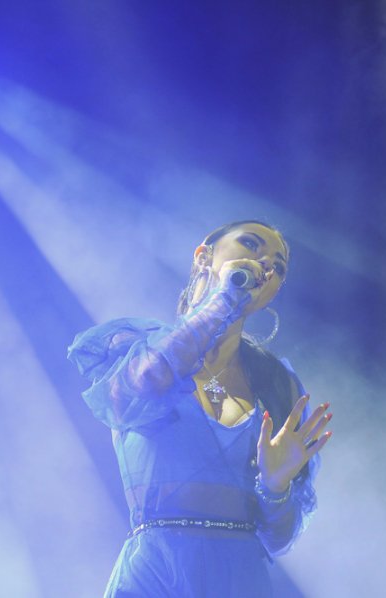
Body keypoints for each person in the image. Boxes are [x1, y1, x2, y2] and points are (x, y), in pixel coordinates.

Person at [67, 220, 333, 597]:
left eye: (279, 266)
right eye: (251, 245)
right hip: (157, 576)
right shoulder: (137, 347)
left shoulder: (276, 383)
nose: (266, 265)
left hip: (241, 580)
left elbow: (279, 538)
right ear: (204, 256)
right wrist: (224, 299)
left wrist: (276, 486)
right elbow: (141, 388)